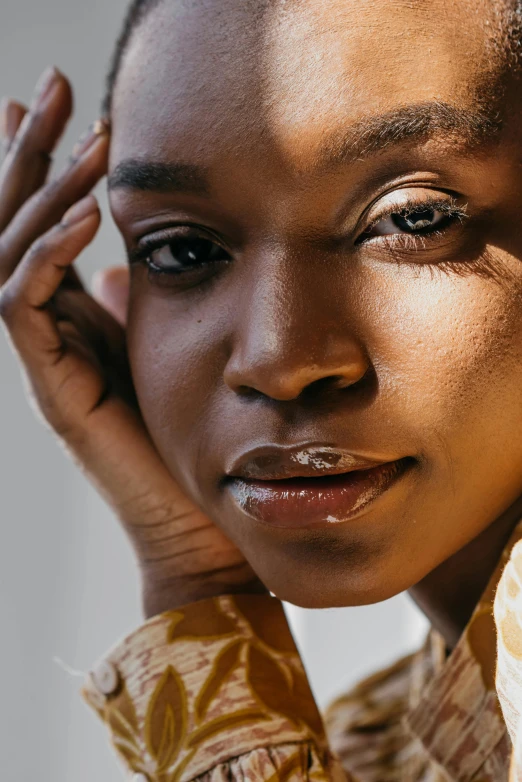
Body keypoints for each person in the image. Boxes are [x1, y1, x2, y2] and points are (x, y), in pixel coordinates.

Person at [3, 0, 522, 778]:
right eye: (182, 249)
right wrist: (196, 576)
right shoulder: (365, 746)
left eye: (413, 218)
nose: (278, 361)